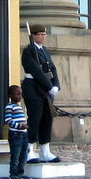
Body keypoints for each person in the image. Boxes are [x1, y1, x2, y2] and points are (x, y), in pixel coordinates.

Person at [21, 24, 61, 163]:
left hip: (45, 89)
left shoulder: (44, 51)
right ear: (34, 35)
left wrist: (56, 85)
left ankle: (45, 150)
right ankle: (29, 150)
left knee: (47, 118)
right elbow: (35, 71)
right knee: (35, 118)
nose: (44, 37)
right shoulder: (28, 51)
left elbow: (52, 69)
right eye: (41, 34)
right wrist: (49, 85)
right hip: (33, 87)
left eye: (45, 34)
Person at [4, 84, 32, 179]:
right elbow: (8, 120)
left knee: (23, 155)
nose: (20, 96)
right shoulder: (9, 107)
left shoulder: (19, 107)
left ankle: (20, 173)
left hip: (24, 135)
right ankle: (13, 174)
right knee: (15, 156)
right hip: (15, 135)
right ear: (11, 95)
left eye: (21, 94)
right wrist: (20, 126)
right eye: (17, 94)